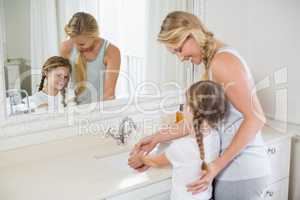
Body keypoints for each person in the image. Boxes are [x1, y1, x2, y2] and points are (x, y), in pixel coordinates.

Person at [129, 11, 270, 200]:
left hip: (240, 169)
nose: (180, 58)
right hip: (231, 168)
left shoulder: (222, 62)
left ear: (192, 35)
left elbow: (256, 119)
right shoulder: (212, 63)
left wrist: (217, 166)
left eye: (179, 49)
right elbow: (196, 121)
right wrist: (155, 138)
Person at [129, 81, 226, 200]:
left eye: (184, 106)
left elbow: (155, 161)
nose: (182, 109)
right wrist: (156, 138)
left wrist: (141, 158)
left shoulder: (181, 147)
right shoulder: (215, 136)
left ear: (190, 110)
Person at [60, 12, 121, 104]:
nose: (76, 46)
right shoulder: (66, 47)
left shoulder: (111, 52)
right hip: (74, 108)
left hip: (100, 108)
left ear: (94, 36)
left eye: (81, 44)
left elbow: (109, 94)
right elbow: (62, 83)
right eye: (73, 41)